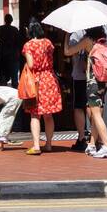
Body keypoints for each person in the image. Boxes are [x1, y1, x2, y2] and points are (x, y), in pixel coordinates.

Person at [64, 27, 107, 158]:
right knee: (98, 111)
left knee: (95, 114)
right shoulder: (105, 41)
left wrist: (66, 35)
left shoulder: (88, 41)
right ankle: (92, 144)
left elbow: (67, 51)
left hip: (93, 82)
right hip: (104, 81)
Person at [20, 19, 63, 154]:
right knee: (48, 115)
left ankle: (37, 146)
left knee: (35, 114)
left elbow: (31, 65)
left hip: (36, 81)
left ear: (29, 30)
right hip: (49, 79)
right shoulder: (48, 43)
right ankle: (49, 144)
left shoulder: (28, 45)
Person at [0, 13, 22, 85]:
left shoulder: (1, 28)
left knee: (3, 75)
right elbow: (18, 40)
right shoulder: (14, 29)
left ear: (5, 20)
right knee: (14, 76)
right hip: (13, 55)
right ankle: (15, 90)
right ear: (11, 20)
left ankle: (3, 90)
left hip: (3, 55)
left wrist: (1, 40)